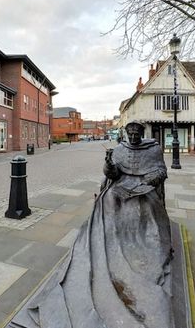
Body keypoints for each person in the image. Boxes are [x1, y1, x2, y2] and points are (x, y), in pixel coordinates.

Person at [13, 122, 173, 328]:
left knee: (143, 210)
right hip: (120, 188)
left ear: (142, 134)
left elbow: (161, 171)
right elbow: (112, 175)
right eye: (130, 134)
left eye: (136, 134)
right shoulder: (120, 149)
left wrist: (151, 178)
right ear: (126, 133)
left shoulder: (153, 149)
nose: (133, 138)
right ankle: (108, 238)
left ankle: (140, 248)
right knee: (108, 201)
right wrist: (110, 166)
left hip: (144, 190)